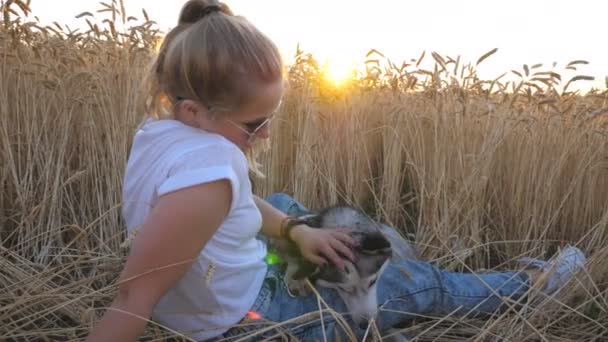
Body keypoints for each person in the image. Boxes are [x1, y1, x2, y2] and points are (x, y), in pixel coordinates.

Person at [85, 1, 587, 341]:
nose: (264, 135)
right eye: (255, 123)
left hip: (223, 282)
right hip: (252, 320)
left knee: (282, 205)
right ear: (196, 110)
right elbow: (133, 295)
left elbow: (226, 201)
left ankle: (362, 264)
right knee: (418, 285)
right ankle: (528, 287)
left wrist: (294, 232)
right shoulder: (209, 178)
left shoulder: (161, 131)